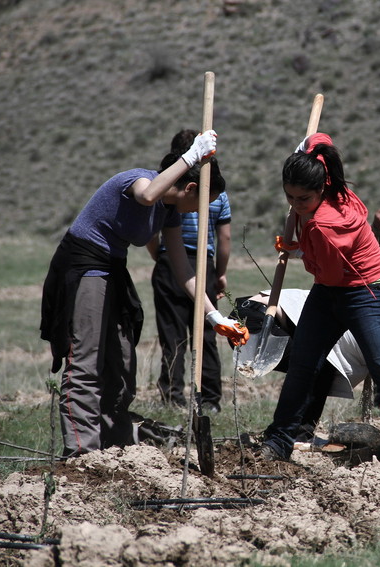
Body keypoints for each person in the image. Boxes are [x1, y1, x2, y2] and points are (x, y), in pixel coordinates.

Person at [40, 130, 248, 458]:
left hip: (112, 267)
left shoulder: (169, 213)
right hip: (83, 265)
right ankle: (81, 453)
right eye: (201, 204)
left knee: (121, 359)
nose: (198, 212)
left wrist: (215, 316)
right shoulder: (139, 180)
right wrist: (191, 156)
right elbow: (148, 195)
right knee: (86, 359)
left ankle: (114, 439)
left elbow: (184, 271)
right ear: (190, 188)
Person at [260, 133, 380, 461]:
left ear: (321, 189)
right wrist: (307, 147)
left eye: (302, 199)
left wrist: (298, 246)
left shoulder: (325, 227)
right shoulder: (326, 180)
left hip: (366, 290)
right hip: (330, 289)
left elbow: (323, 271)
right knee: (303, 363)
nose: (294, 205)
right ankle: (278, 441)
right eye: (289, 196)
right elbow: (321, 140)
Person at [233, 290, 380, 442]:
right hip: (257, 319)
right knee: (317, 366)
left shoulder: (365, 323)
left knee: (321, 368)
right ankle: (293, 435)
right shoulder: (366, 330)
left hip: (254, 316)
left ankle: (298, 433)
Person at [147, 130, 232, 411]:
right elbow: (225, 238)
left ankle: (173, 397)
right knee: (206, 336)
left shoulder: (173, 188)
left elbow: (151, 233)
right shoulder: (218, 194)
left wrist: (158, 256)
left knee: (172, 336)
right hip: (202, 265)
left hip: (170, 264)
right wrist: (220, 273)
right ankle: (211, 399)